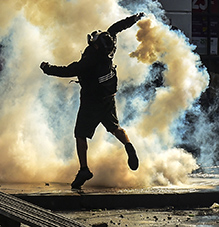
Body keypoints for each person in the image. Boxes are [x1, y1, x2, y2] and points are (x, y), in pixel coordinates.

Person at [40, 12, 145, 189]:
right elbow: (115, 28)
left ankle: (84, 169)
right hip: (108, 99)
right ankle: (128, 145)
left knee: (80, 134)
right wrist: (134, 19)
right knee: (115, 128)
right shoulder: (109, 49)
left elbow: (68, 70)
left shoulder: (90, 61)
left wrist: (48, 68)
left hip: (91, 102)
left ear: (96, 47)